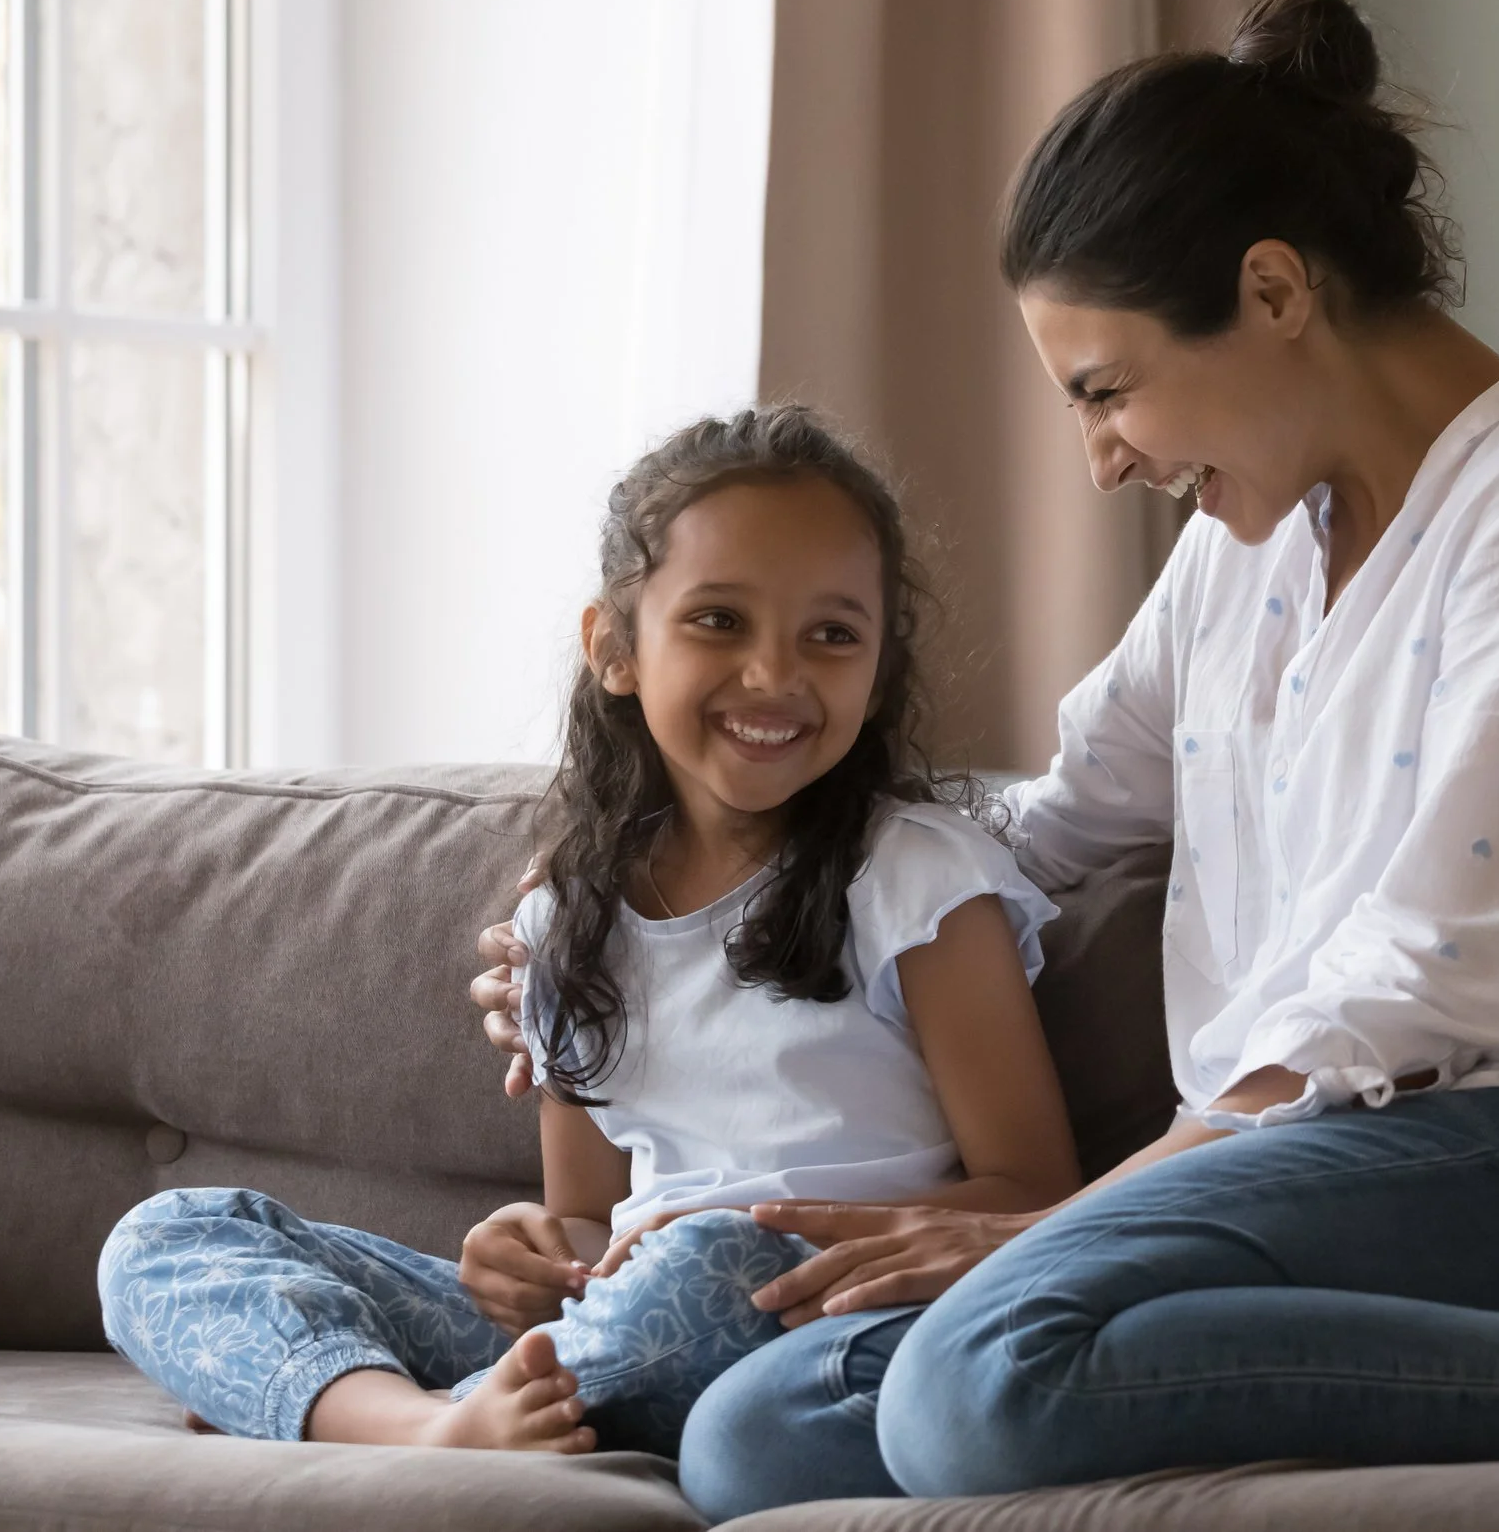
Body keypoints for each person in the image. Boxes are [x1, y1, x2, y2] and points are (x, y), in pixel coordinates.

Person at [477, 0, 1499, 1512]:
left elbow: (1434, 982)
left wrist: (1062, 1220)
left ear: (1277, 293)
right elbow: (1039, 825)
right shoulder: (1247, 544)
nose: (1103, 463)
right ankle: (1202, 1357)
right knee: (751, 1440)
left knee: (976, 1378)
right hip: (1256, 1188)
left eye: (1107, 391)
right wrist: (669, 912)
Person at [100, 409, 1079, 1461]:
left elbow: (1035, 1194)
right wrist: (523, 1252)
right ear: (615, 647)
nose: (773, 675)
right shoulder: (564, 916)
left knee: (706, 1260)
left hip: (793, 1316)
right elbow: (585, 1220)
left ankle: (350, 1405)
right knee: (167, 1235)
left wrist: (759, 1225)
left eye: (832, 635)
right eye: (718, 620)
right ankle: (429, 1424)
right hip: (612, 1315)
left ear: (878, 670)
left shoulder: (920, 878)